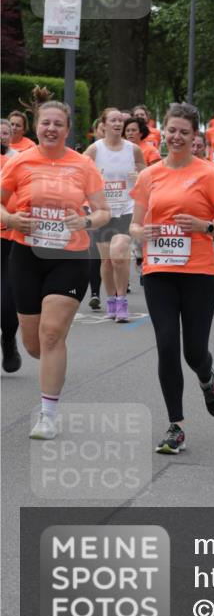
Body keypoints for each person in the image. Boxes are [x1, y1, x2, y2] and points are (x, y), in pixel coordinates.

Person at [130, 102, 214, 454]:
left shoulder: (208, 173)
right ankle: (175, 425)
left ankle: (207, 379)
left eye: (183, 131)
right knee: (166, 344)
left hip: (197, 272)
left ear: (195, 137)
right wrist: (141, 233)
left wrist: (204, 226)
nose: (176, 136)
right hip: (159, 270)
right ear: (164, 134)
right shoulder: (149, 175)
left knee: (194, 352)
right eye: (172, 131)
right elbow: (133, 224)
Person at [0, 87, 110, 439]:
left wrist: (87, 222)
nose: (51, 128)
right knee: (34, 344)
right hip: (27, 255)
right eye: (45, 123)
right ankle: (52, 351)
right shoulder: (20, 161)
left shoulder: (83, 165)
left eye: (58, 124)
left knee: (50, 334)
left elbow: (104, 212)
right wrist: (12, 220)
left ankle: (47, 414)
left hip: (70, 255)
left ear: (68, 129)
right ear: (36, 127)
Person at [84, 108, 145, 321]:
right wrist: (94, 179)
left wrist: (138, 175)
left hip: (127, 208)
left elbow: (146, 176)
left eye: (121, 120)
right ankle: (111, 300)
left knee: (120, 255)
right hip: (103, 211)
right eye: (114, 120)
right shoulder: (94, 150)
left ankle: (121, 302)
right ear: (104, 124)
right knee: (107, 261)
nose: (118, 124)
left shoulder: (133, 149)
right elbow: (80, 174)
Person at [0, 119, 21, 372]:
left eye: (5, 133)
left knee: (6, 302)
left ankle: (8, 339)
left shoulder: (18, 160)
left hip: (8, 239)